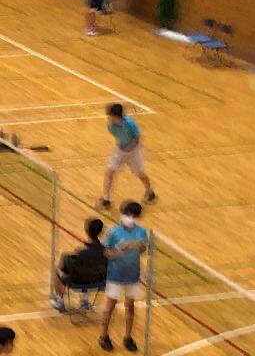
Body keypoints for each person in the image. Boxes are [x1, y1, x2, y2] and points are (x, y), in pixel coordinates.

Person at [99, 201, 148, 352]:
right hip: (115, 276)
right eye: (129, 215)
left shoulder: (141, 232)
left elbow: (143, 250)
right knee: (109, 308)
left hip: (132, 276)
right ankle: (103, 336)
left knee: (130, 307)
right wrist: (121, 251)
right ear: (124, 214)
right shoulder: (113, 232)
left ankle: (128, 337)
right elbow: (106, 253)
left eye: (134, 215)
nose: (131, 218)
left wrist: (140, 247)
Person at [99, 103, 156, 209]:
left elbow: (137, 138)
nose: (108, 117)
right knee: (109, 172)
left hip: (133, 151)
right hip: (120, 149)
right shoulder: (111, 126)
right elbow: (118, 137)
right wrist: (123, 150)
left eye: (110, 115)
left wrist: (129, 150)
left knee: (139, 173)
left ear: (115, 115)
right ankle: (106, 199)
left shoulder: (130, 124)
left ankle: (150, 192)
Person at [51, 218, 108, 312]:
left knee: (57, 269)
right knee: (89, 269)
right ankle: (84, 299)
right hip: (98, 281)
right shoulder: (105, 251)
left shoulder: (80, 253)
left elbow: (70, 270)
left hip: (76, 281)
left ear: (87, 230)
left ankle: (59, 301)